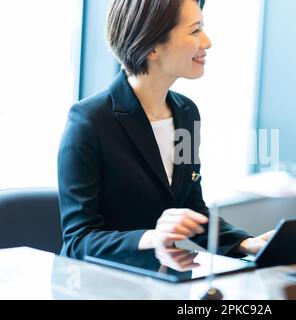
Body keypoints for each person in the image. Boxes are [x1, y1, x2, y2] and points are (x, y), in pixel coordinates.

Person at [58, 0, 273, 261]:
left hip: (161, 283)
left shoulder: (186, 112)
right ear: (152, 47)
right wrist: (151, 238)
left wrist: (245, 243)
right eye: (195, 31)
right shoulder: (89, 121)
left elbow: (192, 209)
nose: (207, 42)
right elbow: (78, 241)